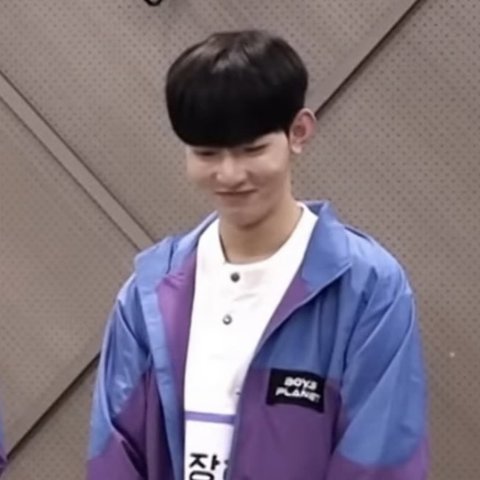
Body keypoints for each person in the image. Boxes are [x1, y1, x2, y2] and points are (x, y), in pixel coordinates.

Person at [86, 29, 429, 480]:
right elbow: (115, 454)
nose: (229, 174)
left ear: (299, 132)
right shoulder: (148, 295)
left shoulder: (367, 288)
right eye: (207, 153)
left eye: (252, 149)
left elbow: (380, 459)